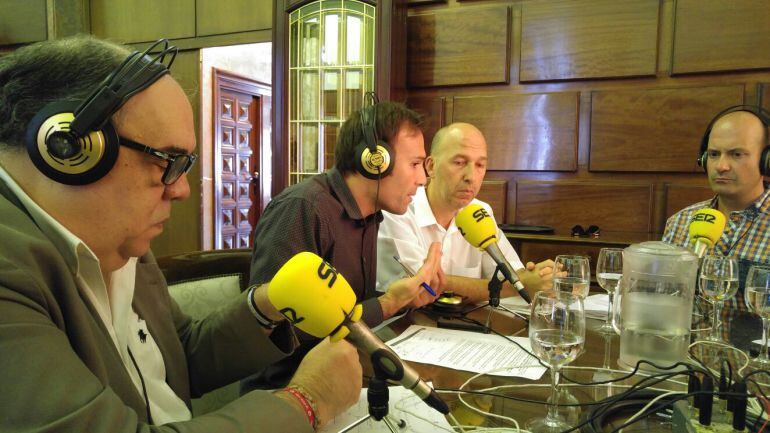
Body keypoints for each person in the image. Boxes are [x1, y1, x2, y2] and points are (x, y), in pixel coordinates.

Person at [0, 36, 360, 432]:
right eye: (167, 161)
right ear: (67, 148)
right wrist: (307, 401)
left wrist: (266, 305)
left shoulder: (122, 244)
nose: (182, 189)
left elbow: (179, 353)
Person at [244, 98, 442, 390]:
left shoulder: (371, 215)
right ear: (374, 161)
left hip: (343, 376)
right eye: (414, 164)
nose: (422, 179)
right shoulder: (303, 209)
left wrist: (406, 298)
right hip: (287, 392)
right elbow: (278, 333)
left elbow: (345, 306)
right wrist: (388, 303)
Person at [377, 123, 555, 303]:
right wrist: (518, 284)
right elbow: (420, 288)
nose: (471, 176)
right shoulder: (398, 210)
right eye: (459, 163)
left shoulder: (480, 211)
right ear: (431, 166)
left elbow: (510, 273)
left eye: (480, 165)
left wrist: (540, 277)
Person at [663, 106, 770, 344]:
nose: (721, 166)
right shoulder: (680, 222)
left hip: (756, 375)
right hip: (684, 369)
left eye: (736, 154)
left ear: (766, 162)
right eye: (713, 154)